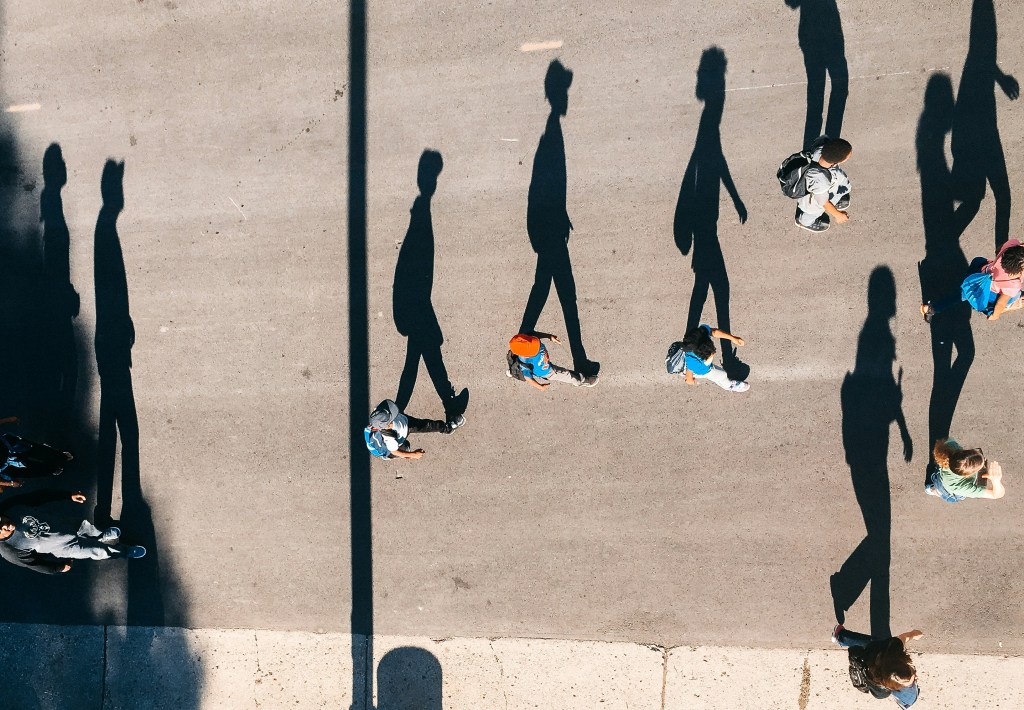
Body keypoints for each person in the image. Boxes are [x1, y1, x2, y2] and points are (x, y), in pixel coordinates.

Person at [0, 489, 145, 574]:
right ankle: (125, 551)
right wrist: (59, 567)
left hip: (65, 524)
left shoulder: (10, 506)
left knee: (90, 529)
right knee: (99, 551)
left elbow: (38, 496)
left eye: (0, 520)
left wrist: (68, 495)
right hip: (66, 548)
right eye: (0, 530)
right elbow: (35, 564)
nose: (5, 525)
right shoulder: (9, 550)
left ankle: (101, 535)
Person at [921, 239, 1024, 321]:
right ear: (1016, 273)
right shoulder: (1013, 284)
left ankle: (932, 308)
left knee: (977, 263)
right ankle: (933, 308)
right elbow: (1001, 303)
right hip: (986, 290)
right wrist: (995, 315)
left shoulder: (1012, 244)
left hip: (981, 271)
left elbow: (998, 250)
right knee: (966, 295)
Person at [832, 625, 922, 708]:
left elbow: (904, 637)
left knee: (873, 642)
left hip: (872, 651)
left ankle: (841, 636)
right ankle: (841, 638)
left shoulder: (893, 647)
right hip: (867, 664)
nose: (915, 677)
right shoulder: (881, 692)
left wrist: (913, 634)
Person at [363, 399, 465, 461]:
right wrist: (413, 455)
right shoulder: (389, 439)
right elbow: (394, 451)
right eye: (392, 414)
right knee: (404, 448)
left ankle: (447, 428)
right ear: (387, 425)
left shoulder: (378, 415)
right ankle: (388, 456)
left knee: (427, 424)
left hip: (405, 421)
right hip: (403, 431)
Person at [795, 136, 853, 232]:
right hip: (816, 202)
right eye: (848, 157)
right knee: (813, 212)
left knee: (837, 190)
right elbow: (823, 202)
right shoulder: (820, 180)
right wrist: (838, 215)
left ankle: (836, 198)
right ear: (838, 161)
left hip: (831, 187)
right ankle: (803, 222)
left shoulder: (821, 150)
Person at [0, 416, 73, 489]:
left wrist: (8, 420)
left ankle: (60, 456)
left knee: (38, 450)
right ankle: (52, 469)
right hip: (6, 465)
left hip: (9, 445)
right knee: (33, 471)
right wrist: (10, 483)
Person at [507, 333, 597, 391]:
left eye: (536, 343)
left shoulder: (529, 341)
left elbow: (535, 335)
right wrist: (540, 387)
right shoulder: (525, 362)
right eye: (534, 349)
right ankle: (581, 381)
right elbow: (528, 378)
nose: (537, 346)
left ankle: (512, 372)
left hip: (544, 365)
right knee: (564, 374)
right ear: (525, 355)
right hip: (547, 371)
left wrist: (549, 336)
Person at [926, 438, 1005, 502]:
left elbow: (948, 441)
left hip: (943, 475)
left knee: (938, 480)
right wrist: (996, 481)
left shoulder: (951, 447)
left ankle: (933, 488)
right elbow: (996, 495)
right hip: (947, 490)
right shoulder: (962, 488)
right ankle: (932, 490)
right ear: (968, 475)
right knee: (942, 492)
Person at [677, 325, 749, 392]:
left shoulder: (701, 333)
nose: (713, 353)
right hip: (703, 371)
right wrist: (692, 381)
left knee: (719, 375)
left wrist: (733, 338)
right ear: (701, 356)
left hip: (700, 365)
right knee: (722, 376)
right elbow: (689, 379)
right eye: (710, 354)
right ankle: (730, 386)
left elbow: (714, 332)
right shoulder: (693, 363)